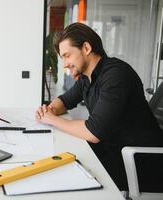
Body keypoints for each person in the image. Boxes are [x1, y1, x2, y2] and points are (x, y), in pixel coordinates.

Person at [36, 22, 163, 190]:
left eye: (67, 55)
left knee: (65, 178)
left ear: (86, 48)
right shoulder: (86, 77)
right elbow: (65, 101)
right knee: (59, 162)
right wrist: (50, 109)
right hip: (112, 149)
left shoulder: (115, 75)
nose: (65, 64)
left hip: (138, 162)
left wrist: (52, 120)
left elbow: (94, 132)